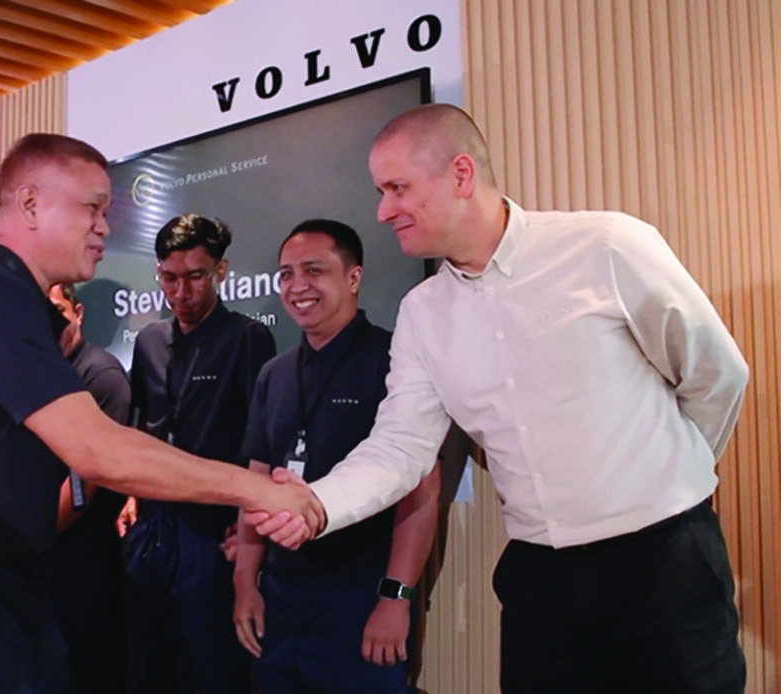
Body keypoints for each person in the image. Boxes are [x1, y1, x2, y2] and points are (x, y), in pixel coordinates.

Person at [253, 104, 750, 694]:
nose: (383, 211)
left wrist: (673, 482)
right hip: (540, 581)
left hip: (665, 563)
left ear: (461, 174)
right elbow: (401, 447)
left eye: (397, 189)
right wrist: (318, 503)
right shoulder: (422, 313)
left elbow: (716, 375)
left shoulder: (605, 246)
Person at [0, 134, 321, 694]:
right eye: (92, 208)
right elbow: (98, 449)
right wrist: (259, 491)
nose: (104, 228)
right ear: (30, 205)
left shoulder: (16, 303)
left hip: (5, 577)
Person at [233, 220, 440, 693]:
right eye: (286, 274)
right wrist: (245, 582)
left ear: (352, 277)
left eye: (313, 270)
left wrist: (395, 599)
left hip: (361, 595)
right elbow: (254, 484)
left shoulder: (394, 361)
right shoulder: (274, 373)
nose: (297, 286)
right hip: (281, 597)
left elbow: (422, 492)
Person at [125, 213, 276, 694]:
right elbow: (140, 425)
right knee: (147, 662)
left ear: (221, 271)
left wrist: (247, 525)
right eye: (169, 278)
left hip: (212, 530)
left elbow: (263, 444)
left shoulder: (247, 338)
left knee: (210, 667)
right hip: (153, 526)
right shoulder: (149, 341)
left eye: (195, 277)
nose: (181, 292)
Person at [46, 281, 131, 694]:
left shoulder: (102, 375)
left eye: (58, 313)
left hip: (83, 555)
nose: (51, 324)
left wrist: (30, 538)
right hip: (43, 556)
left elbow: (85, 484)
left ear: (77, 313)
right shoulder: (40, 371)